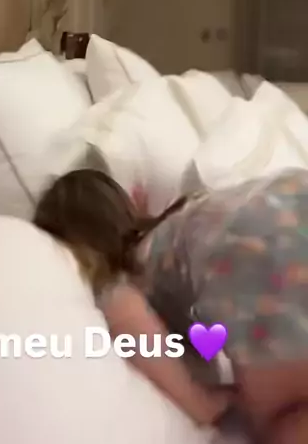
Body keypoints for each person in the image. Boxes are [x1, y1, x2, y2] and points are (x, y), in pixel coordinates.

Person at [34, 166, 308, 443]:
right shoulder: (185, 218)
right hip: (290, 194)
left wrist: (199, 402)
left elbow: (125, 313)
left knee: (284, 418)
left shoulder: (131, 269)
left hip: (253, 248)